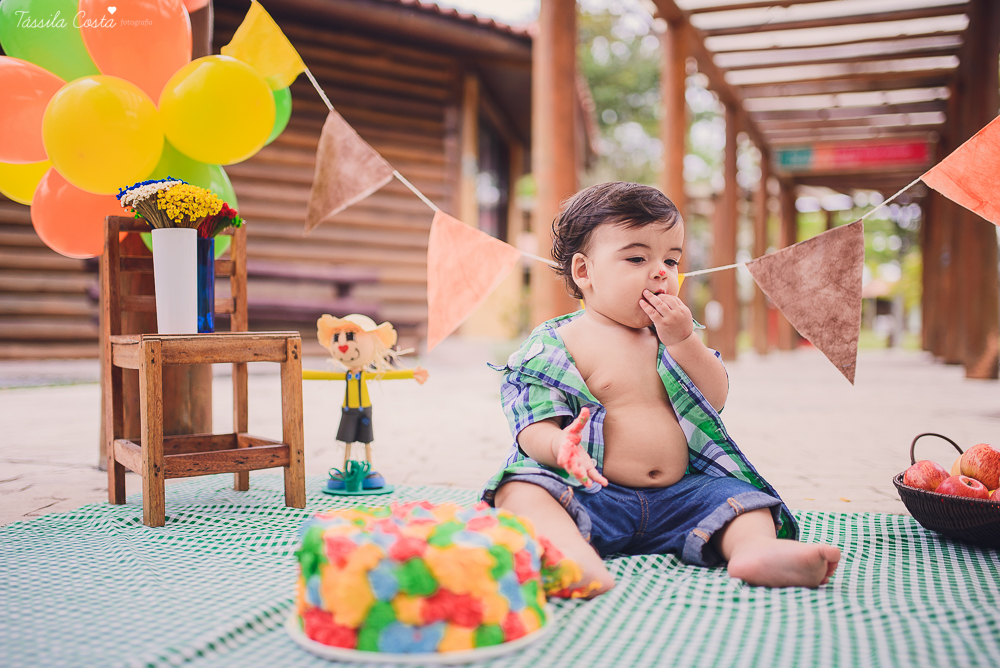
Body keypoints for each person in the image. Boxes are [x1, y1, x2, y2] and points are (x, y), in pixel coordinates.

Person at [481, 182, 840, 595]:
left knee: (743, 499)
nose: (661, 272)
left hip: (681, 497)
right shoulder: (557, 344)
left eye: (671, 260)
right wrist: (557, 445)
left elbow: (715, 398)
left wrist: (685, 341)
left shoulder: (674, 337)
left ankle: (755, 551)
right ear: (584, 272)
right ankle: (570, 555)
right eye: (637, 258)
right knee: (520, 488)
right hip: (592, 495)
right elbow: (531, 421)